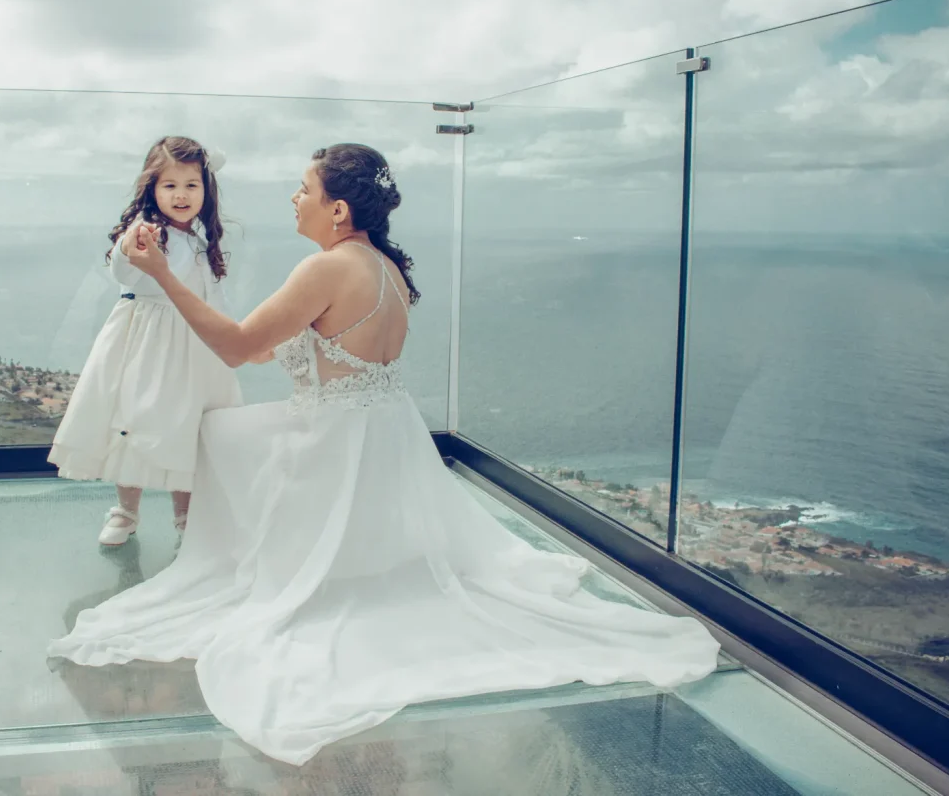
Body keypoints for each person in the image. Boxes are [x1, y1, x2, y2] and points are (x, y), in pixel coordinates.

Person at [48, 143, 720, 764]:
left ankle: (238, 550)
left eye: (304, 189)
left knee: (214, 434)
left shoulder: (326, 268)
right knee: (227, 431)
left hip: (333, 440)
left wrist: (162, 274)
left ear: (337, 209)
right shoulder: (384, 266)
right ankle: (243, 538)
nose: (293, 199)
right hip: (382, 432)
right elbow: (308, 353)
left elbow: (235, 348)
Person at [47, 136, 242, 545]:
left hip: (196, 346)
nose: (181, 195)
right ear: (152, 189)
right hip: (148, 344)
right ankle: (126, 510)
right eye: (169, 185)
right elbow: (124, 272)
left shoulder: (201, 239)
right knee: (133, 420)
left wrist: (228, 333)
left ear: (206, 190)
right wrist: (129, 245)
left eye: (191, 185)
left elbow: (214, 295)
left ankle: (186, 513)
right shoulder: (148, 233)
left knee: (189, 426)